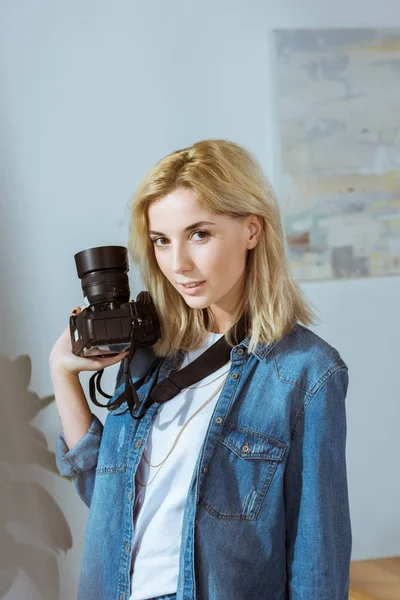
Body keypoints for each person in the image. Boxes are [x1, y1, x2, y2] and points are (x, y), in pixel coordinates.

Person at [50, 139, 352, 600]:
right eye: (161, 241)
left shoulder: (307, 373)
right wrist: (62, 371)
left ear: (251, 229)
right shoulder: (149, 354)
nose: (177, 264)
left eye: (199, 234)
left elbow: (318, 559)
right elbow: (107, 496)